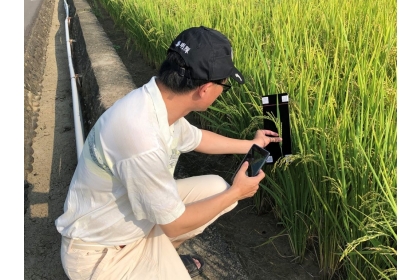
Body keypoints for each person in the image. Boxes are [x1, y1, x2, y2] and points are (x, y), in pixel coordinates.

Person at [55, 26, 281, 280]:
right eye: (224, 84)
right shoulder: (141, 139)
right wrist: (237, 192)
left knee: (216, 188)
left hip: (132, 224)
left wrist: (251, 144)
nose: (222, 90)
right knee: (224, 195)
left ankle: (163, 255)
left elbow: (198, 138)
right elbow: (175, 223)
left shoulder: (157, 103)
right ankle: (148, 265)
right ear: (205, 89)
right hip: (100, 256)